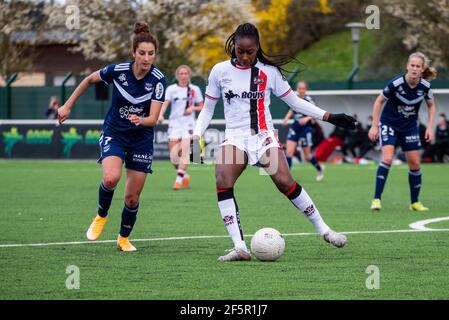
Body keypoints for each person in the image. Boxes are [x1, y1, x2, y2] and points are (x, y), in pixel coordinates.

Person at [192, 22, 357, 262]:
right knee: (222, 179)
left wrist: (329, 116)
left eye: (250, 51)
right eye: (240, 51)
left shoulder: (270, 72)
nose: (245, 56)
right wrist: (196, 136)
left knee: (283, 181)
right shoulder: (219, 71)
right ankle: (240, 247)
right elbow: (207, 109)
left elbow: (295, 102)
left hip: (263, 136)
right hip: (235, 137)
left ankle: (325, 230)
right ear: (234, 47)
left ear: (258, 47)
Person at [57, 21, 166, 251]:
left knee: (132, 198)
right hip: (115, 133)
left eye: (151, 54)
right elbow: (88, 80)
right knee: (110, 179)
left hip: (141, 138)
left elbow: (154, 118)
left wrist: (141, 120)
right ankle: (100, 215)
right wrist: (67, 105)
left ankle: (123, 238)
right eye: (142, 53)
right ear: (134, 53)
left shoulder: (158, 79)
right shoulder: (118, 71)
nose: (147, 59)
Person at [368, 52, 436, 212]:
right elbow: (379, 100)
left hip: (410, 127)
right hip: (389, 123)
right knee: (387, 158)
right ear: (407, 66)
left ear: (422, 69)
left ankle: (415, 202)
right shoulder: (396, 83)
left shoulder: (425, 87)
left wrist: (430, 127)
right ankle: (376, 199)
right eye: (412, 65)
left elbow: (431, 106)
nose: (414, 68)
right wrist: (374, 125)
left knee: (415, 163)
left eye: (418, 66)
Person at [158, 65, 204, 190]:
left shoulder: (194, 89)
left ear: (189, 75)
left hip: (189, 125)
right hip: (174, 124)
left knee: (184, 153)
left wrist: (192, 108)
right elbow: (165, 104)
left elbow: (202, 106)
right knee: (173, 156)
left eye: (186, 73)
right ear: (177, 75)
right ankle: (184, 175)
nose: (183, 76)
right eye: (181, 74)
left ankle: (178, 180)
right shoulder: (171, 89)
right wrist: (161, 115)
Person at [282, 81, 325, 181]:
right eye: (299, 88)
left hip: (305, 129)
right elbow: (292, 109)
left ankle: (319, 169)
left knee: (307, 156)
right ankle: (287, 177)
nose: (301, 90)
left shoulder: (309, 100)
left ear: (306, 90)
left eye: (303, 88)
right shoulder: (294, 99)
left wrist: (307, 119)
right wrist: (286, 118)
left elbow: (316, 112)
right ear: (297, 89)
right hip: (295, 128)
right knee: (289, 152)